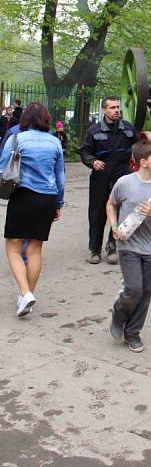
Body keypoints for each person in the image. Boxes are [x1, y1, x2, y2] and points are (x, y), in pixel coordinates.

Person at [106, 139, 151, 352]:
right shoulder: (125, 183)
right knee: (134, 289)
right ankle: (119, 314)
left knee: (146, 293)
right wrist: (113, 225)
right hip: (128, 245)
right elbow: (111, 204)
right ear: (143, 162)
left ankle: (133, 333)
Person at [0, 102, 64, 317]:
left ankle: (25, 293)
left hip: (23, 197)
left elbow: (3, 169)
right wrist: (58, 204)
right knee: (35, 250)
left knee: (13, 248)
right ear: (46, 119)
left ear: (25, 118)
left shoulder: (16, 139)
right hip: (47, 199)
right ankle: (25, 296)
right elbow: (60, 178)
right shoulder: (55, 142)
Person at [80, 97, 137, 265]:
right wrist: (92, 161)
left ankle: (112, 246)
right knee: (97, 213)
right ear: (104, 110)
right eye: (112, 107)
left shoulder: (128, 128)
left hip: (122, 174)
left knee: (120, 211)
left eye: (118, 107)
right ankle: (95, 250)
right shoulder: (94, 130)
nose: (116, 110)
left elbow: (139, 147)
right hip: (101, 175)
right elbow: (85, 151)